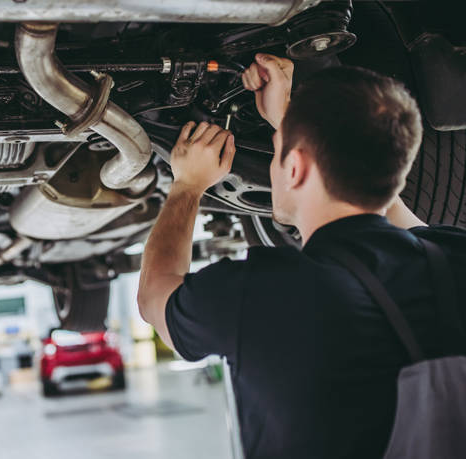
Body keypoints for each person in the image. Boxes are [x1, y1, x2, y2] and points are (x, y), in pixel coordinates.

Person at [137, 53, 466, 458]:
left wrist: (186, 185)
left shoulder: (261, 293)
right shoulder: (452, 257)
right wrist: (291, 124)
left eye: (276, 152)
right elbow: (386, 194)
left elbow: (154, 299)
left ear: (294, 168)